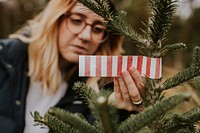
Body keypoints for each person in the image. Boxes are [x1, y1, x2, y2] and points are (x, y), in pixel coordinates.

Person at [0, 0, 144, 133]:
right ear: (55, 19)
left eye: (98, 29)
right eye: (76, 21)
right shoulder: (4, 59)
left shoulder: (94, 90)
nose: (86, 36)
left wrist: (116, 113)